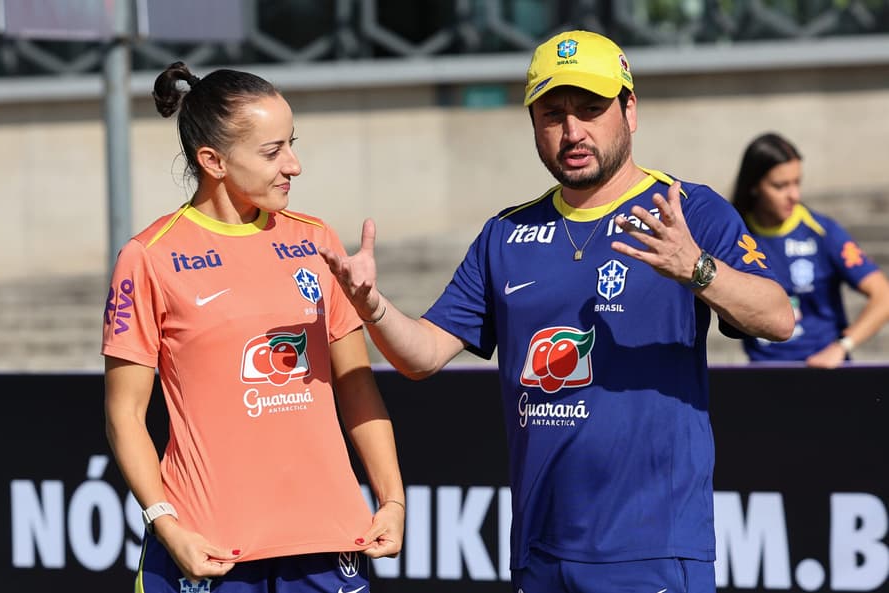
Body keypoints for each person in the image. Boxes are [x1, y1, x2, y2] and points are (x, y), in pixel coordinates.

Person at [320, 30, 794, 593]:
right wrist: (371, 305)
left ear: (630, 110)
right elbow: (421, 356)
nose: (573, 131)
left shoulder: (687, 209)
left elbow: (778, 318)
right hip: (539, 552)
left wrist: (696, 268)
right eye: (553, 114)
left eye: (591, 110)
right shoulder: (506, 232)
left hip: (654, 551)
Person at [102, 62, 404, 593]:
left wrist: (392, 499)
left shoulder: (317, 240)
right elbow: (124, 415)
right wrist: (168, 528)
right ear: (213, 161)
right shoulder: (148, 256)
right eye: (273, 152)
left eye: (292, 143)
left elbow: (357, 383)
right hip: (211, 550)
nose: (294, 165)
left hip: (326, 543)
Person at [731, 132, 889, 367]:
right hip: (764, 373)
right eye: (780, 186)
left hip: (823, 372)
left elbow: (883, 296)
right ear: (754, 186)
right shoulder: (734, 234)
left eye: (797, 182)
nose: (794, 195)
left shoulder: (823, 232)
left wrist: (842, 346)